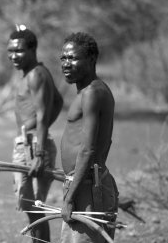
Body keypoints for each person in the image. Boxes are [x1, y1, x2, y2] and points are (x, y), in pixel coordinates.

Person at [59, 32, 119, 243]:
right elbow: (103, 145)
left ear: (92, 59)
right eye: (63, 58)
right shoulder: (86, 92)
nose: (66, 63)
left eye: (73, 58)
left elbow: (88, 149)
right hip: (84, 183)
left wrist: (70, 198)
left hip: (87, 188)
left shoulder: (93, 92)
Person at [7, 25, 63, 243]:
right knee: (33, 210)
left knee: (35, 211)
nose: (13, 56)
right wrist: (37, 126)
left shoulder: (35, 75)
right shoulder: (35, 73)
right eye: (10, 51)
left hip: (33, 147)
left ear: (32, 49)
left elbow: (42, 115)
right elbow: (57, 102)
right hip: (31, 142)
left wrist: (39, 153)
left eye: (19, 51)